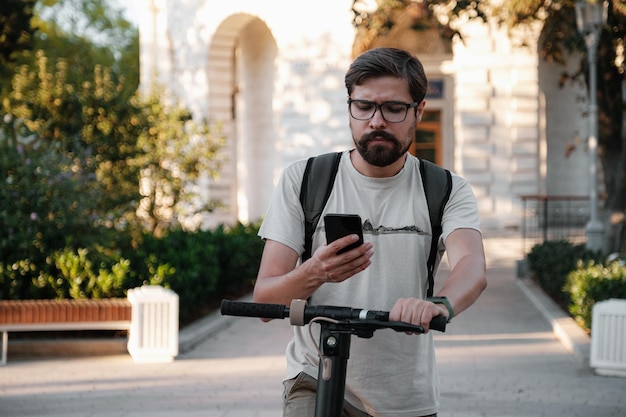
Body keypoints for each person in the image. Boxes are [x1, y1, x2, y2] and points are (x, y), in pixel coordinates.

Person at [253, 47, 487, 417]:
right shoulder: (305, 180)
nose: (377, 120)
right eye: (364, 107)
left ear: (419, 111)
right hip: (316, 374)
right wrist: (315, 272)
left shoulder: (445, 189)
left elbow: (471, 267)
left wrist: (437, 305)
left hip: (406, 395)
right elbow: (265, 300)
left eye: (394, 108)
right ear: (350, 107)